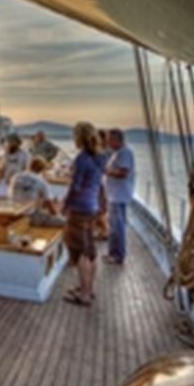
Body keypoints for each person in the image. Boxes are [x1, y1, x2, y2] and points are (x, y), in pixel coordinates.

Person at [62, 122, 107, 306]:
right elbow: (99, 183)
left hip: (79, 208)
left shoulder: (81, 159)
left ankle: (84, 295)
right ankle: (87, 288)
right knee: (90, 251)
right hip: (92, 207)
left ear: (79, 138)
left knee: (80, 251)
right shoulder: (100, 157)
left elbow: (76, 187)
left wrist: (65, 205)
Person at [104, 128, 135, 265]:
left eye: (109, 139)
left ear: (117, 140)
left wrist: (106, 171)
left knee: (117, 227)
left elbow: (123, 173)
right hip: (114, 195)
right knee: (113, 225)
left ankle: (118, 255)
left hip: (118, 196)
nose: (107, 142)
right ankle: (112, 253)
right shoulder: (117, 153)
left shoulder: (125, 153)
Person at [10, 157, 64, 226]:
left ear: (29, 165)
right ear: (42, 169)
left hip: (13, 213)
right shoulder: (41, 181)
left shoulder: (16, 177)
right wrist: (57, 215)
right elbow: (51, 207)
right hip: (30, 215)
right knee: (65, 222)